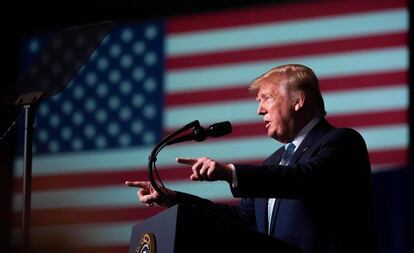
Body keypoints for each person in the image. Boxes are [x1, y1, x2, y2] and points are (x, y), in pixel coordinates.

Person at [126, 64, 376, 253]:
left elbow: (306, 179)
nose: (259, 110)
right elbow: (241, 220)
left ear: (298, 101)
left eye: (266, 98)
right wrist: (174, 199)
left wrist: (231, 172)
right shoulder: (273, 162)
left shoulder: (342, 141)